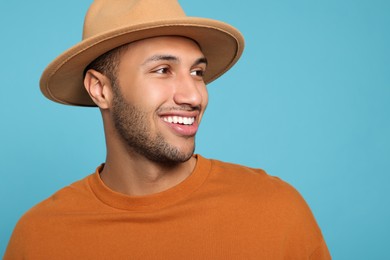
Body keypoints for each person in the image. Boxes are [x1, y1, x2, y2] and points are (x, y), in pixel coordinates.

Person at [5, 0, 331, 259]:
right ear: (100, 90)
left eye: (197, 72)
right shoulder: (39, 238)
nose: (193, 95)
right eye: (163, 70)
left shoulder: (276, 212)